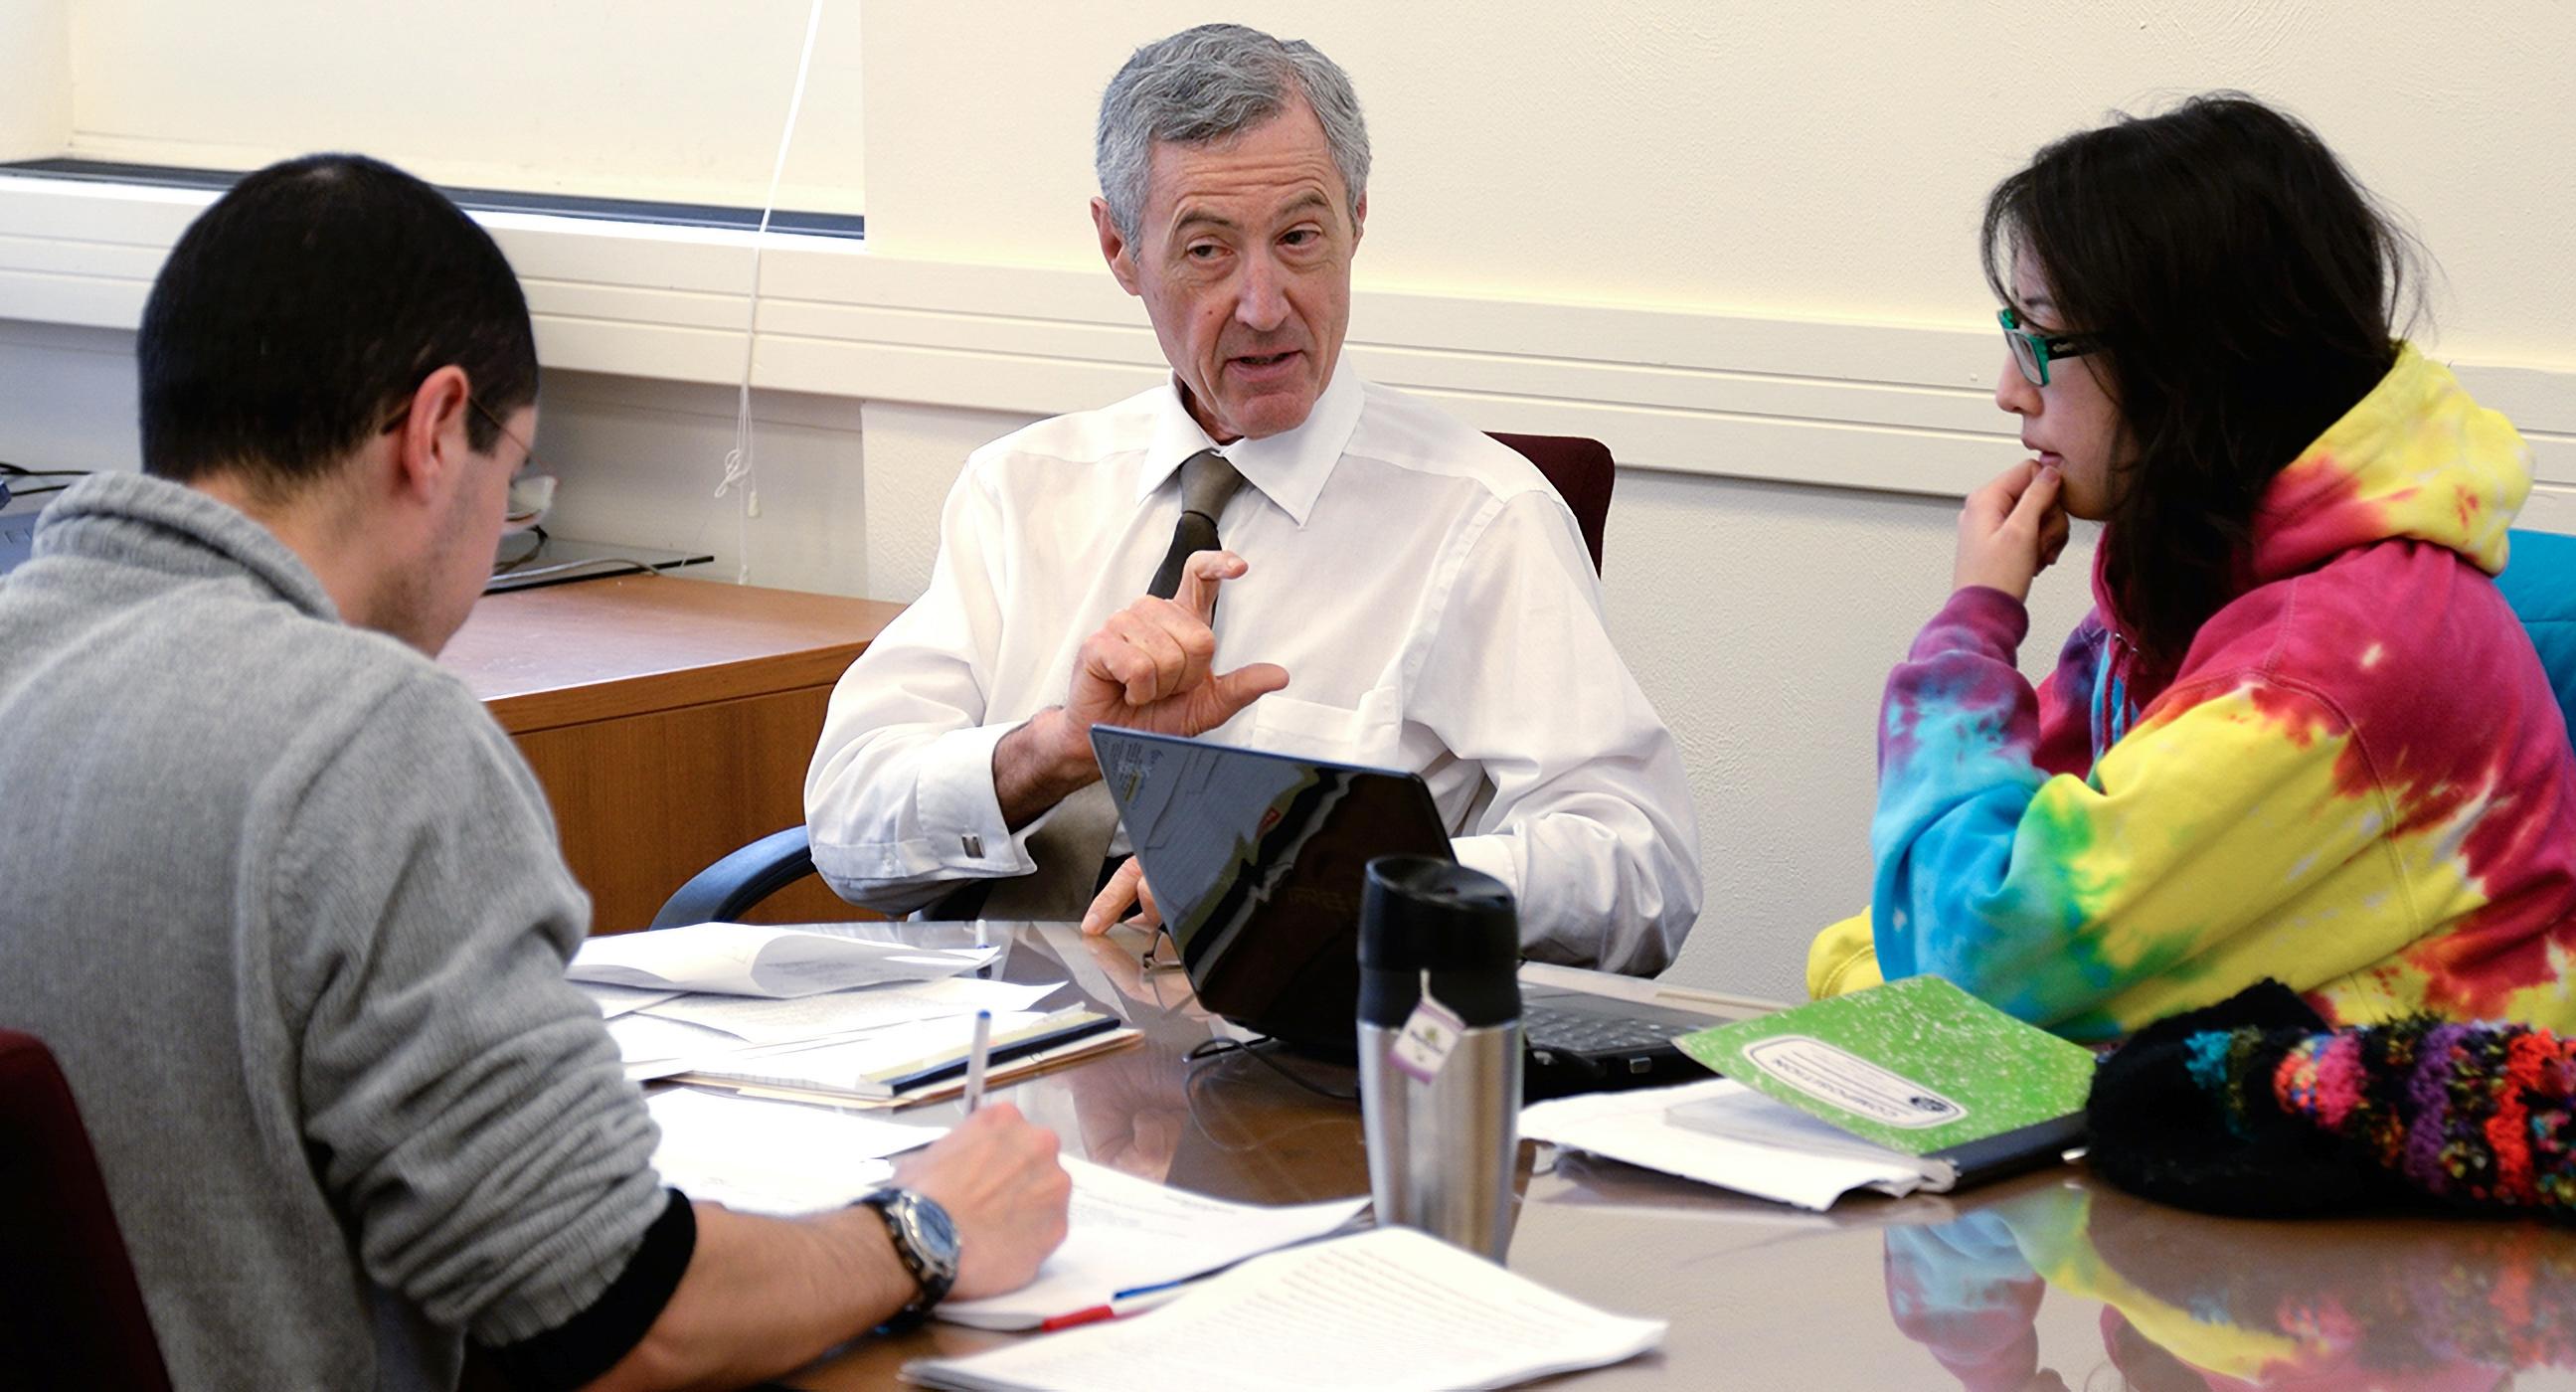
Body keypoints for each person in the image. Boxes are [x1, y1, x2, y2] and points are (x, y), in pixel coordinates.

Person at [0, 154, 1070, 1390]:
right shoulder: (365, 738)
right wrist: (920, 1228)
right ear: (436, 429)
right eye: (511, 471)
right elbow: (614, 1314)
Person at [805, 23, 1701, 973]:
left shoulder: (1483, 515)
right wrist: (1058, 748)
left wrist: (1330, 880)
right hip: (976, 1040)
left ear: (1357, 218)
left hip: (1277, 1055)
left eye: (1300, 238)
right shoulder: (1020, 488)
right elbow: (848, 824)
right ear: (1118, 248)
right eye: (1206, 251)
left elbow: (1643, 872)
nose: (1265, 305)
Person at [1805, 93, 2576, 1039]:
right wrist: (1868, 966)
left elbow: (1967, 953)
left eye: (2039, 339)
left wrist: (1972, 621)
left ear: (2189, 361)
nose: (2010, 390)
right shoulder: (2201, 584)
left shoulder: (2318, 671)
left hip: (2386, 1168)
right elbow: (1966, 901)